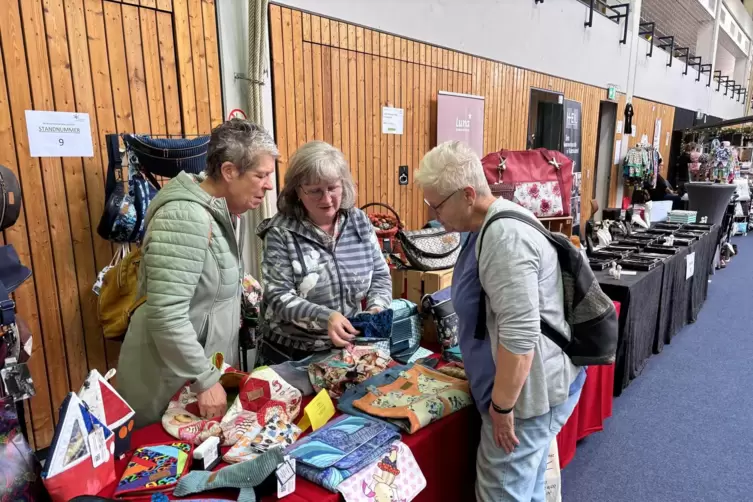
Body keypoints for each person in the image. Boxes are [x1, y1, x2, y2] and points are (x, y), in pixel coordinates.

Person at [414, 141, 584, 501]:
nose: (433, 213)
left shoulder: (503, 238)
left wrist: (504, 409)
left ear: (468, 194)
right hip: (535, 386)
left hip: (525, 398)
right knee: (528, 486)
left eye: (437, 204)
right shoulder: (489, 224)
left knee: (503, 492)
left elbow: (519, 337)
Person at [118, 119, 278, 427]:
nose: (269, 184)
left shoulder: (225, 210)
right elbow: (167, 314)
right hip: (167, 383)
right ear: (230, 172)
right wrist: (205, 378)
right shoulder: (184, 217)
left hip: (195, 376)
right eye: (261, 175)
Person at [257, 140, 392, 364]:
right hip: (291, 355)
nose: (327, 199)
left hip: (346, 350)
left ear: (344, 185)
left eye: (332, 188)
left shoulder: (358, 221)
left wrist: (377, 307)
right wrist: (325, 318)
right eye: (315, 191)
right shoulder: (280, 232)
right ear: (297, 191)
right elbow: (278, 295)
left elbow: (379, 274)